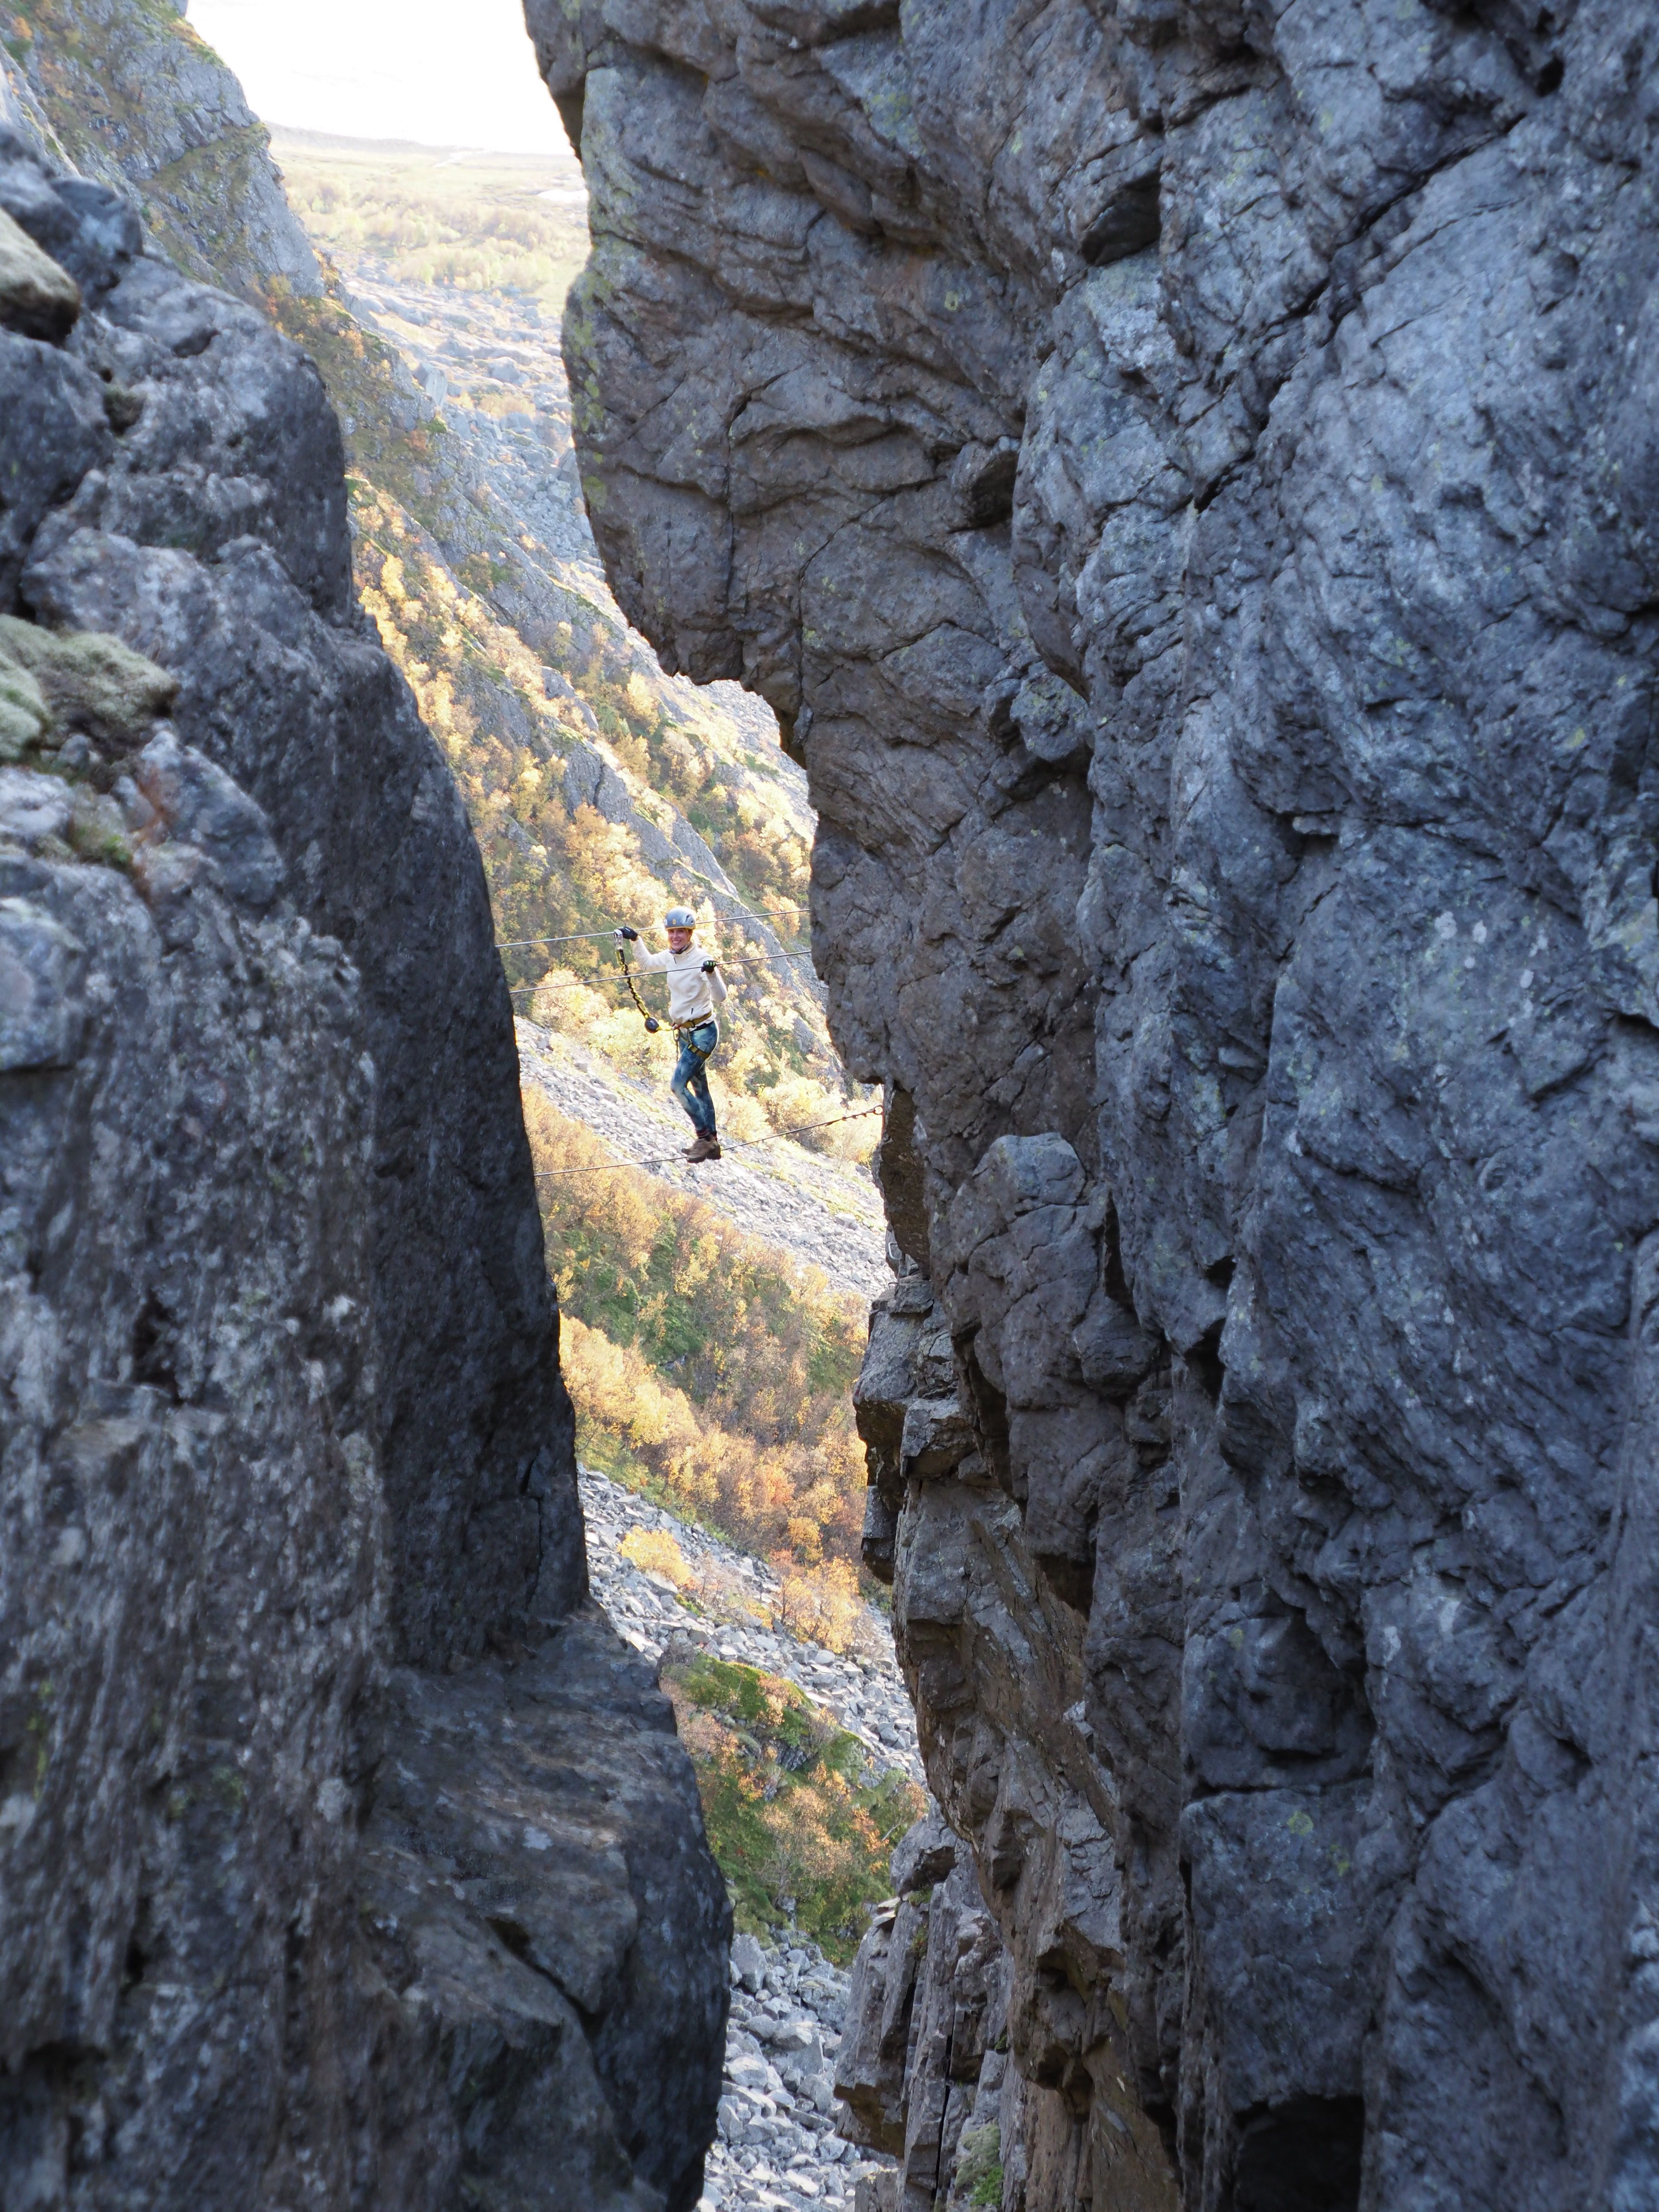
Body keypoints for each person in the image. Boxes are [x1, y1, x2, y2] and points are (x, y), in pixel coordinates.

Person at [616, 905, 728, 1161]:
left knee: (678, 1085)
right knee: (700, 1088)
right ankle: (712, 1142)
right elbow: (646, 963)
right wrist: (636, 940)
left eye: (681, 932)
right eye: (672, 932)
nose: (676, 936)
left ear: (690, 934)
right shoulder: (670, 957)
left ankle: (703, 1138)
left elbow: (720, 997)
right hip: (687, 1033)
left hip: (704, 1033)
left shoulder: (702, 959)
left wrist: (711, 974)